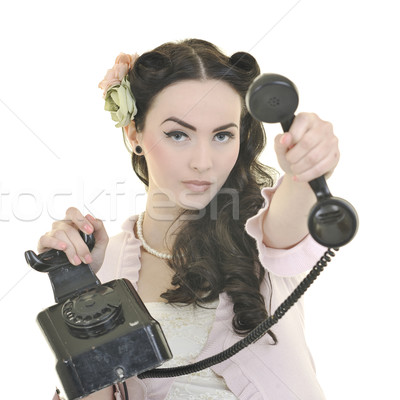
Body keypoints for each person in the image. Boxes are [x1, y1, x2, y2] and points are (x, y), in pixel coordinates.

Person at [39, 38, 339, 400]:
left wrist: (305, 166)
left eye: (222, 135)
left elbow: (290, 217)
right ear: (134, 133)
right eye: (178, 134)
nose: (203, 161)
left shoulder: (260, 230)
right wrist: (79, 287)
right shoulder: (108, 264)